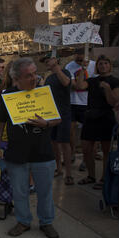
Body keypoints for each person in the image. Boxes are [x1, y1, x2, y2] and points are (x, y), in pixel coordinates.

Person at [0, 57, 61, 238]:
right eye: (28, 75)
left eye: (35, 73)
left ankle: (46, 222)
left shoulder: (43, 93)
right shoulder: (7, 97)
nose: (34, 78)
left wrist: (45, 123)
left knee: (45, 191)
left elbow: (57, 118)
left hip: (43, 152)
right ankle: (23, 221)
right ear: (17, 78)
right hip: (17, 154)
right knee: (20, 190)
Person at [76, 55, 119, 190]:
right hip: (91, 116)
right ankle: (91, 176)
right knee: (86, 148)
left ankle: (104, 178)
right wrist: (82, 69)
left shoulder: (115, 81)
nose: (103, 66)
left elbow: (113, 102)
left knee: (106, 150)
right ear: (97, 66)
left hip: (106, 117)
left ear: (109, 66)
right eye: (100, 64)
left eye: (106, 63)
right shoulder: (93, 80)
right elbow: (79, 85)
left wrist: (107, 89)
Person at [41, 55, 73, 185]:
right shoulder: (48, 78)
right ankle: (59, 168)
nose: (46, 63)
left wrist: (56, 68)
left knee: (65, 143)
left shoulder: (65, 72)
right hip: (51, 114)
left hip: (63, 114)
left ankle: (69, 174)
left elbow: (66, 83)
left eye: (48, 61)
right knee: (54, 143)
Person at [65, 49, 97, 171]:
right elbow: (74, 86)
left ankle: (87, 158)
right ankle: (72, 153)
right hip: (73, 102)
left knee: (88, 132)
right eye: (76, 54)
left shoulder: (94, 65)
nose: (79, 56)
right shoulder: (69, 66)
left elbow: (94, 84)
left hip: (88, 103)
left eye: (81, 54)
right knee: (71, 131)